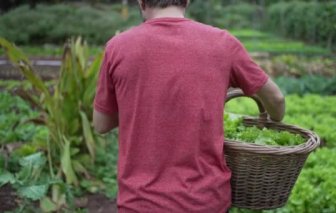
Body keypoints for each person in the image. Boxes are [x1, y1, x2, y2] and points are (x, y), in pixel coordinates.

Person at [92, 0, 285, 212]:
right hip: (205, 201)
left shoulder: (118, 46)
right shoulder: (222, 43)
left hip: (140, 202)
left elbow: (101, 124)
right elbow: (276, 99)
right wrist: (275, 118)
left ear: (141, 2)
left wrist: (143, 103)